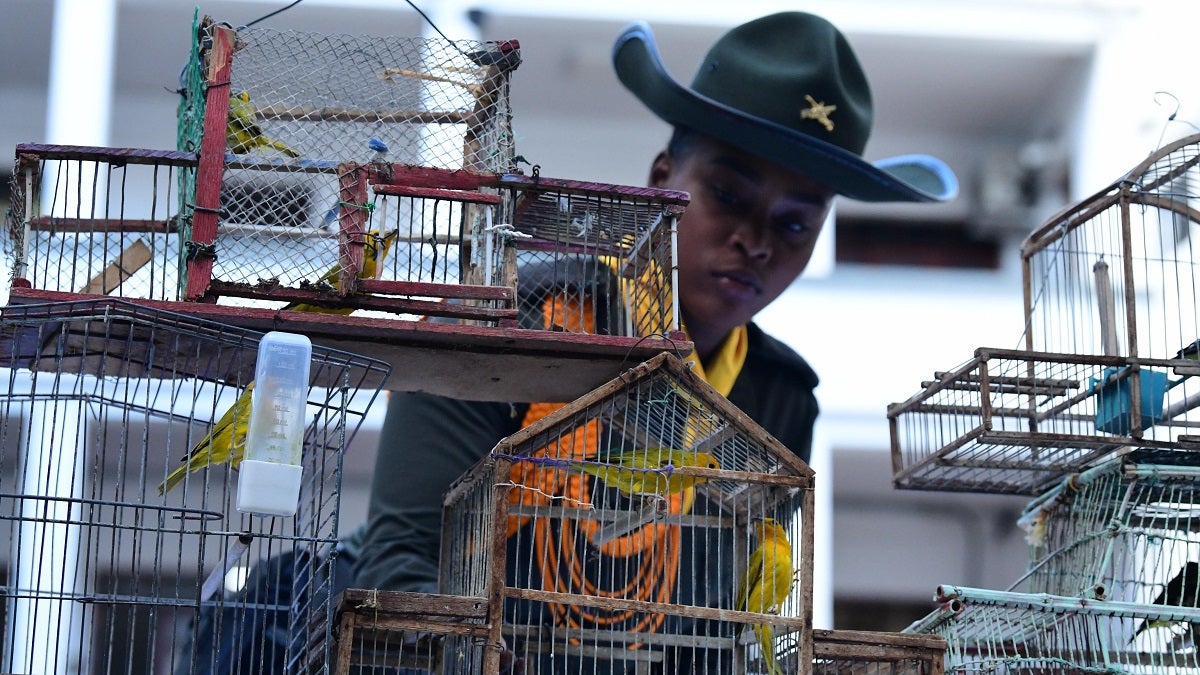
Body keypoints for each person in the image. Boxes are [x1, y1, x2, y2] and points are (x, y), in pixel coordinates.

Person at [344, 9, 957, 673]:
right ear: (662, 178)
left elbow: (722, 626)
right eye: (728, 194)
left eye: (795, 224)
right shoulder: (509, 323)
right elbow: (402, 576)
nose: (755, 240)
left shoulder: (778, 401)